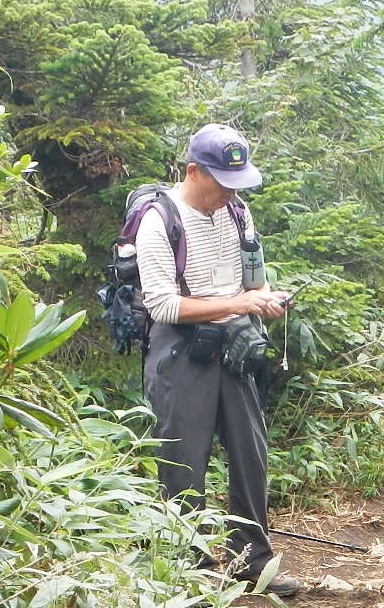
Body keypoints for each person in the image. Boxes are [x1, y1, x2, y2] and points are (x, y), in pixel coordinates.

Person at [135, 123, 300, 597]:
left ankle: (254, 561)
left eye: (237, 184)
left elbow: (255, 282)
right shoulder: (158, 219)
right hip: (180, 351)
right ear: (193, 171)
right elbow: (163, 305)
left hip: (234, 345)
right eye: (222, 183)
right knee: (184, 459)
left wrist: (265, 299)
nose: (230, 193)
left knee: (251, 452)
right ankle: (188, 566)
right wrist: (241, 305)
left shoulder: (238, 213)